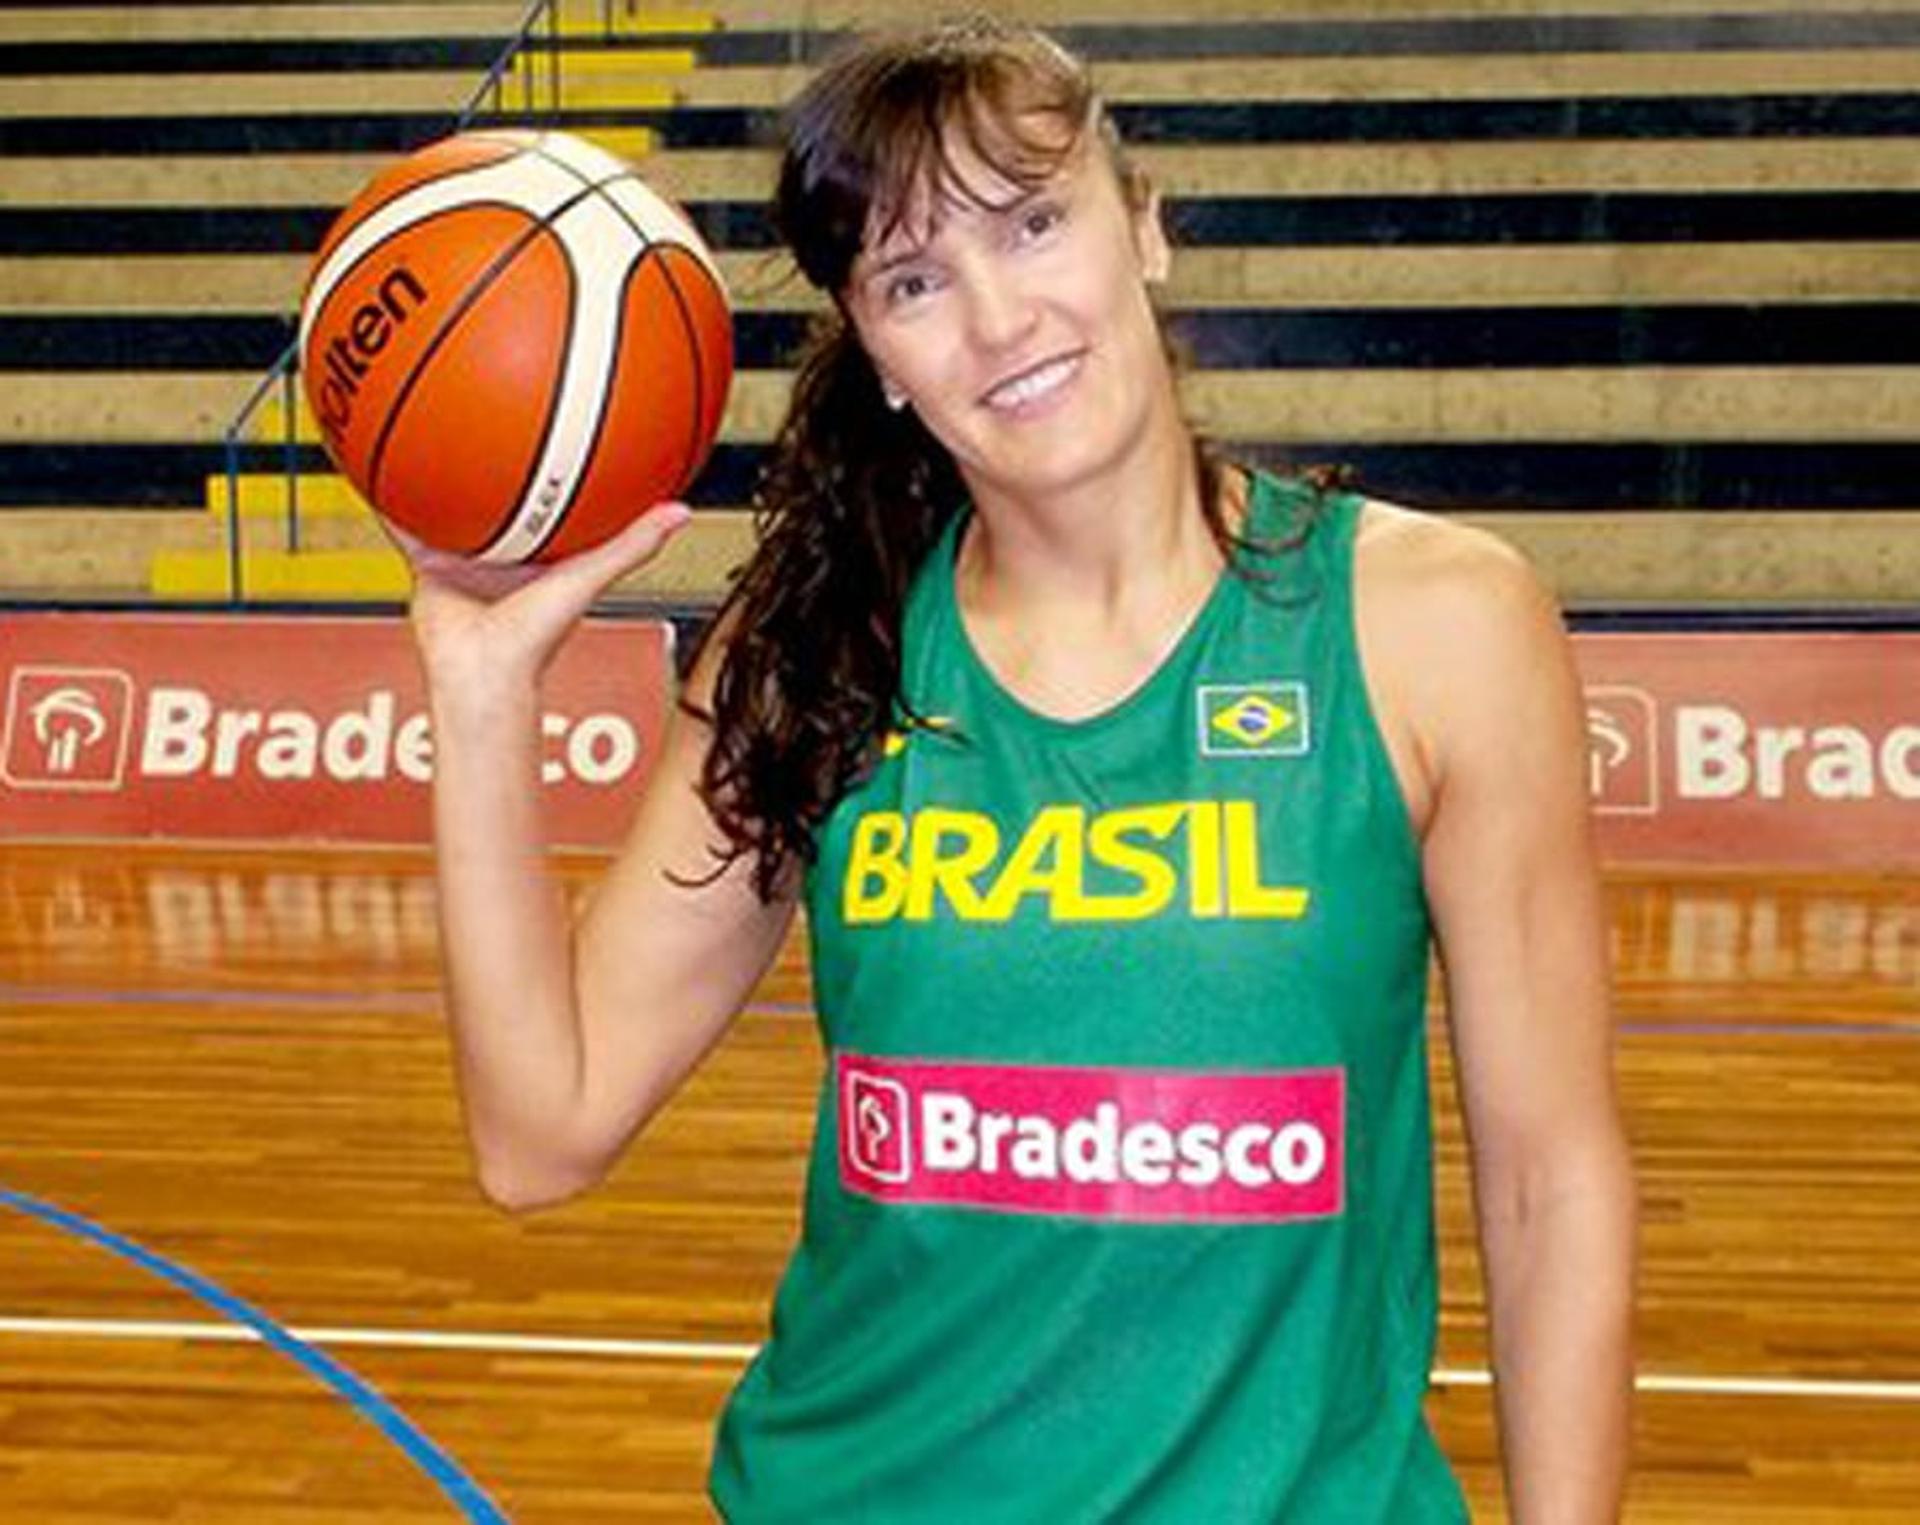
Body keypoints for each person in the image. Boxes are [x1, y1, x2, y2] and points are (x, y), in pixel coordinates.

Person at [399, 15, 1637, 1522]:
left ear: (1146, 225)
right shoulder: (820, 653)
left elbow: (1549, 1181)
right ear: (881, 354)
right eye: (915, 281)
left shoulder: (1436, 626)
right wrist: (478, 697)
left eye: (1033, 221)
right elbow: (541, 1132)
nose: (998, 319)